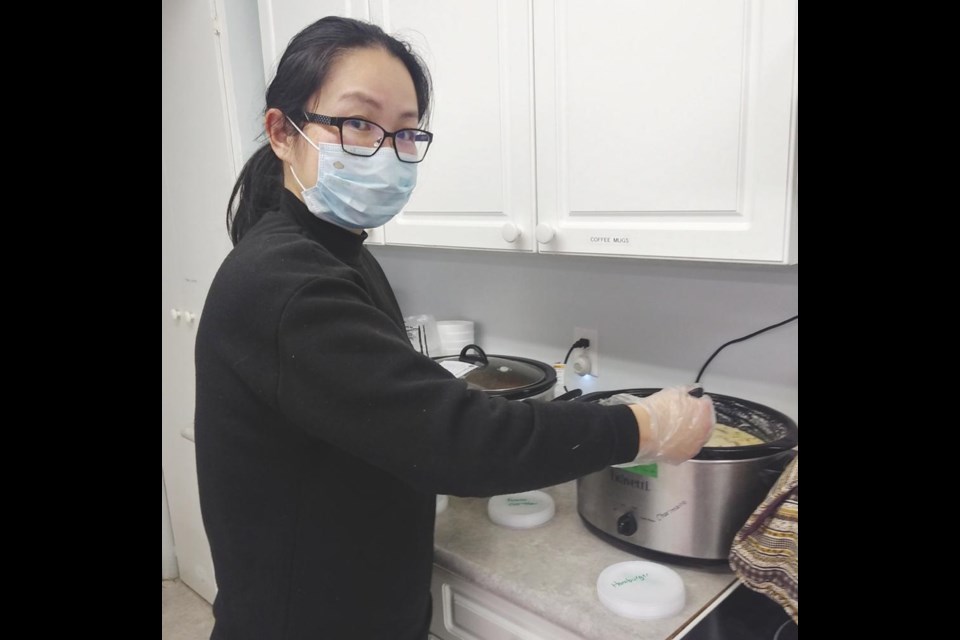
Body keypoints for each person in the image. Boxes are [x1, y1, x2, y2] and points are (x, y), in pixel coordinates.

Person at [194, 16, 715, 640]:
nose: (387, 150)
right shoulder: (286, 280)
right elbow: (457, 442)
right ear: (283, 131)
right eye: (359, 123)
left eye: (406, 131)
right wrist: (644, 425)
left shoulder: (343, 256)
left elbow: (391, 418)